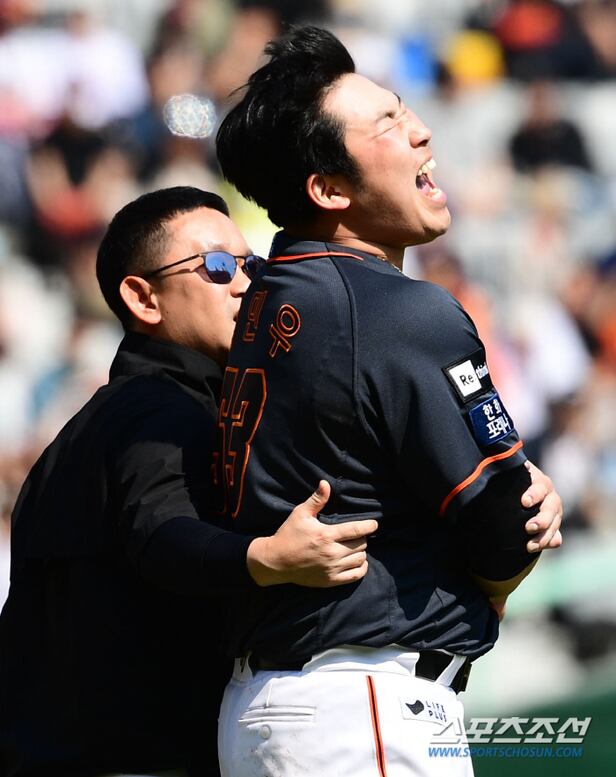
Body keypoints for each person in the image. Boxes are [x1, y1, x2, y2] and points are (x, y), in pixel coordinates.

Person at [214, 26, 563, 777]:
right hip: (362, 705)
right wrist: (501, 568)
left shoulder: (256, 300)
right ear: (328, 189)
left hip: (273, 706)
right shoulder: (397, 311)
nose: (421, 130)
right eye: (387, 123)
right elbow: (506, 524)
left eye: (404, 109)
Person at [0, 187, 381, 777]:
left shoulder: (103, 422)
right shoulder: (162, 412)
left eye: (252, 265)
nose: (245, 283)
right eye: (218, 266)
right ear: (143, 298)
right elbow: (162, 533)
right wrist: (267, 559)